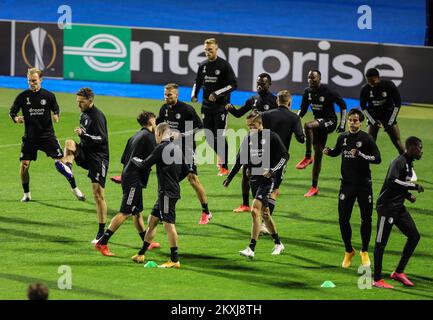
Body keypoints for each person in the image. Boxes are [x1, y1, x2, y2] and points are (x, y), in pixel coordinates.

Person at [9, 68, 84, 202]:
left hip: (47, 136)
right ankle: (26, 194)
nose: (31, 83)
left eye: (34, 81)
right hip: (30, 137)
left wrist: (56, 115)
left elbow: (56, 109)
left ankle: (75, 188)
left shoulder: (49, 96)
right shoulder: (22, 96)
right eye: (29, 81)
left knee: (62, 165)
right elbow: (12, 112)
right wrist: (16, 119)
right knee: (24, 165)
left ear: (41, 80)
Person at [223, 111, 288, 259]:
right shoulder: (248, 138)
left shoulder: (271, 136)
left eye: (253, 125)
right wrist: (230, 178)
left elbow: (285, 156)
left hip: (267, 180)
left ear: (260, 123)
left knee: (254, 211)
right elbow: (240, 160)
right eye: (248, 126)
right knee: (265, 214)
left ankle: (251, 248)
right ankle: (278, 243)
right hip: (254, 179)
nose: (250, 128)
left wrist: (273, 170)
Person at [95, 111, 160, 256]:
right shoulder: (149, 138)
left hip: (130, 177)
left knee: (137, 212)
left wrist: (123, 177)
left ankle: (146, 241)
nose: (156, 122)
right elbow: (155, 158)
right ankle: (102, 242)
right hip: (134, 180)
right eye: (155, 120)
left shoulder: (135, 136)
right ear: (150, 121)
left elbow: (125, 159)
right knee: (125, 212)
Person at [323, 108, 381, 268]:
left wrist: (361, 154)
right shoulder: (342, 137)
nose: (352, 123)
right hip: (346, 185)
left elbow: (378, 158)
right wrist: (329, 151)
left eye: (355, 120)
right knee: (343, 219)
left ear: (360, 122)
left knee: (366, 219)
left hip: (364, 185)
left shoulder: (367, 138)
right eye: (350, 120)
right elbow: (337, 152)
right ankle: (349, 250)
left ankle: (364, 251)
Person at [54, 88, 109, 243]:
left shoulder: (97, 116)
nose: (78, 105)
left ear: (90, 101)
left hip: (98, 158)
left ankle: (101, 232)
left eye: (81, 102)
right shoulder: (83, 113)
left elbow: (102, 139)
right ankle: (68, 169)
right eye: (77, 102)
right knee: (69, 143)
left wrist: (84, 135)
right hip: (86, 152)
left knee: (98, 195)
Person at [130, 123, 189, 268]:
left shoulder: (161, 148)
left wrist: (133, 160)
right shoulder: (177, 148)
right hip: (168, 192)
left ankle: (175, 260)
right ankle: (141, 253)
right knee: (152, 221)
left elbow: (145, 164)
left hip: (166, 193)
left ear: (159, 133)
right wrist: (174, 180)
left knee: (169, 224)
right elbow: (186, 170)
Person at [157, 83, 213, 225]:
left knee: (193, 179)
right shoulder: (164, 109)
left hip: (187, 148)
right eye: (165, 94)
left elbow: (200, 127)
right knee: (168, 180)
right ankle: (161, 212)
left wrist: (182, 135)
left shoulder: (187, 109)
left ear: (176, 95)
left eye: (169, 94)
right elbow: (158, 125)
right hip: (171, 150)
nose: (166, 97)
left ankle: (206, 211)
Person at [372, 136, 424, 289]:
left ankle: (398, 272)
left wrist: (407, 195)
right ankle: (377, 279)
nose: (421, 151)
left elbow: (398, 185)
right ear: (411, 148)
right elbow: (392, 181)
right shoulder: (399, 161)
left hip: (398, 208)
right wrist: (413, 187)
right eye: (419, 148)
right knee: (380, 244)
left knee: (414, 236)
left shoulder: (409, 163)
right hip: (386, 208)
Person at [226, 73, 278, 213]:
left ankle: (264, 202)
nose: (259, 86)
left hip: (266, 141)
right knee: (245, 169)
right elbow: (238, 114)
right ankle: (245, 204)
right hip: (252, 138)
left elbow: (280, 119)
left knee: (263, 172)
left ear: (269, 84)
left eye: (263, 83)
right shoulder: (252, 100)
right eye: (258, 83)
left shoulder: (274, 100)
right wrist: (231, 109)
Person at [295, 70, 347, 197]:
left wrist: (342, 124)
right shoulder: (307, 92)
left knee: (308, 125)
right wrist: (294, 120)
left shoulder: (329, 91)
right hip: (318, 124)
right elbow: (302, 110)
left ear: (320, 78)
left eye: (313, 78)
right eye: (309, 78)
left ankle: (307, 157)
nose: (310, 80)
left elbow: (343, 105)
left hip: (329, 121)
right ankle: (314, 187)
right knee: (318, 153)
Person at [191, 38, 237, 176]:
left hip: (221, 107)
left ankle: (224, 166)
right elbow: (197, 82)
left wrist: (217, 94)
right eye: (205, 50)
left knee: (219, 137)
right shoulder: (203, 65)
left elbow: (233, 85)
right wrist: (194, 94)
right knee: (209, 137)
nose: (207, 52)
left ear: (216, 49)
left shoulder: (224, 66)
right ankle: (221, 156)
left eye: (210, 49)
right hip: (206, 107)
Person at [260, 90, 305, 234]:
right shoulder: (294, 117)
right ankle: (264, 224)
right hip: (280, 158)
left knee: (263, 187)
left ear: (277, 102)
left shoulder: (265, 115)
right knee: (273, 190)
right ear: (290, 103)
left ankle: (261, 221)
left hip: (262, 155)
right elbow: (301, 138)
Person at [360, 68, 405, 156]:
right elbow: (363, 107)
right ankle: (364, 167)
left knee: (397, 142)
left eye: (372, 80)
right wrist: (372, 121)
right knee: (369, 144)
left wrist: (391, 121)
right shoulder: (365, 89)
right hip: (374, 116)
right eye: (368, 81)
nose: (370, 83)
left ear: (378, 77)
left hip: (388, 115)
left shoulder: (389, 85)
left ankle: (408, 165)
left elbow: (398, 103)